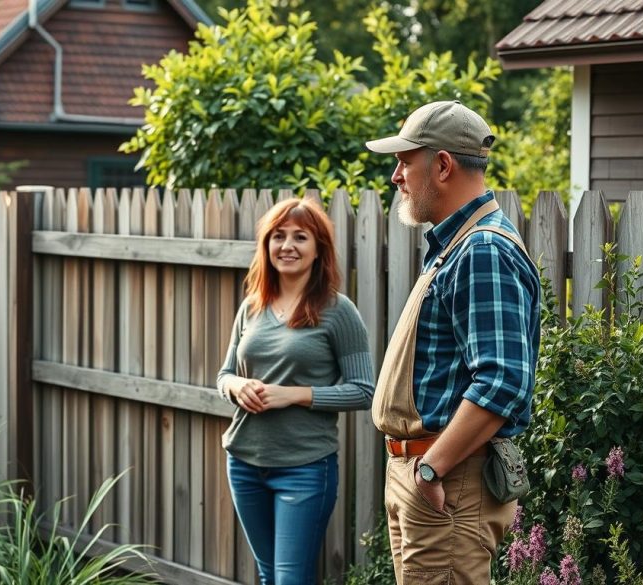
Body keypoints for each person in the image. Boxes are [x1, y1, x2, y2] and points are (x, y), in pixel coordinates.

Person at [365, 100, 541, 584]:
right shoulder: (456, 246)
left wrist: (430, 470)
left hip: (447, 479)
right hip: (425, 472)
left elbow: (503, 381)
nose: (396, 176)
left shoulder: (482, 250)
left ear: (442, 165)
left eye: (405, 161)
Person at [217, 197, 375, 585]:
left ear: (319, 248)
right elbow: (223, 376)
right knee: (269, 576)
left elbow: (365, 390)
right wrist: (237, 385)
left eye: (300, 237)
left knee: (290, 579)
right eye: (278, 236)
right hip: (244, 461)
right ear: (267, 245)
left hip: (305, 468)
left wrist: (295, 394)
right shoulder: (252, 306)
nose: (287, 246)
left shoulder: (339, 311)